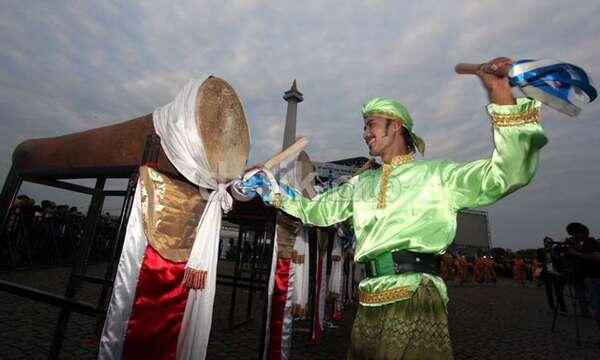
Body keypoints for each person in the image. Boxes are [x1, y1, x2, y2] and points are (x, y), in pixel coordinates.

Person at [248, 57, 547, 359]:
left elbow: (507, 174)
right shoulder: (360, 184)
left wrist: (502, 96)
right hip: (368, 299)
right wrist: (269, 188)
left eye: (371, 125)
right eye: (364, 126)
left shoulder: (437, 176)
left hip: (415, 297)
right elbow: (316, 211)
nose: (365, 133)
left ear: (397, 125)